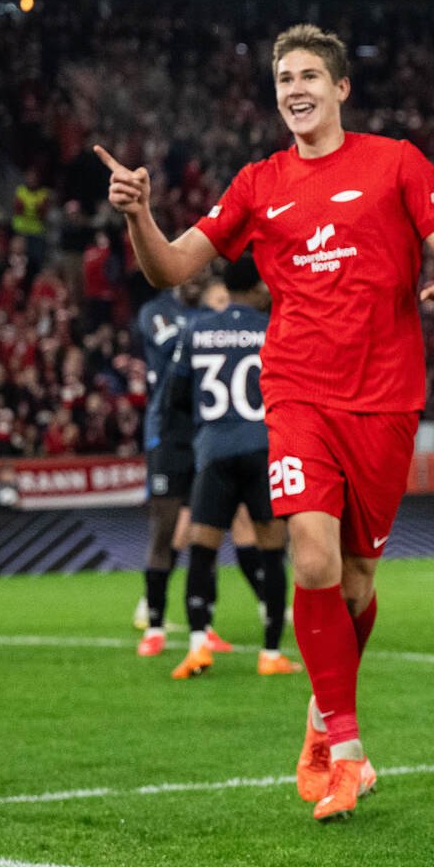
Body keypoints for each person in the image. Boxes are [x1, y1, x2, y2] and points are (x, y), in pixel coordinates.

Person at [100, 23, 434, 823]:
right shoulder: (259, 182)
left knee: (357, 581)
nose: (294, 88)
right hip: (295, 392)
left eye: (308, 76)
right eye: (283, 78)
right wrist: (139, 216)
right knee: (314, 554)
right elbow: (172, 266)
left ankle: (321, 721)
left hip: (388, 398)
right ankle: (347, 745)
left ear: (339, 88)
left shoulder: (395, 162)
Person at [162, 257, 299, 679]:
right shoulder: (270, 327)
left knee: (202, 552)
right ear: (258, 287)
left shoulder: (196, 330)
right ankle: (271, 652)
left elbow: (175, 397)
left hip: (215, 450)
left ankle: (199, 647)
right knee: (273, 552)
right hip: (262, 449)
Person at [133, 279, 234, 658]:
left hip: (206, 433)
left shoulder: (208, 314)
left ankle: (204, 626)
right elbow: (172, 346)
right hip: (167, 436)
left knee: (206, 534)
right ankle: (154, 625)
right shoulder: (156, 311)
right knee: (164, 529)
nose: (193, 280)